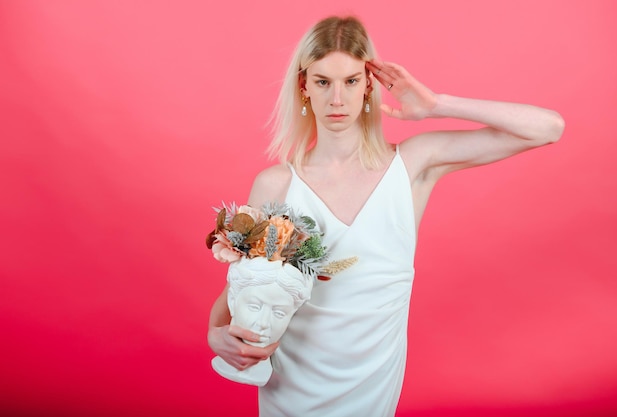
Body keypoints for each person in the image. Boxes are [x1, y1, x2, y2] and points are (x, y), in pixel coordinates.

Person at [207, 15, 564, 417]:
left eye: (351, 81)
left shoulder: (412, 166)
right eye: (323, 81)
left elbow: (548, 128)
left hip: (371, 401)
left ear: (369, 85)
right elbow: (238, 293)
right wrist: (215, 335)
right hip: (289, 395)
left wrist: (436, 105)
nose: (337, 99)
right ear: (304, 86)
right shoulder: (275, 185)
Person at [211, 256, 313, 386]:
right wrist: (215, 331)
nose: (263, 323)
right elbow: (235, 288)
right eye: (254, 307)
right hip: (279, 376)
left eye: (279, 313)